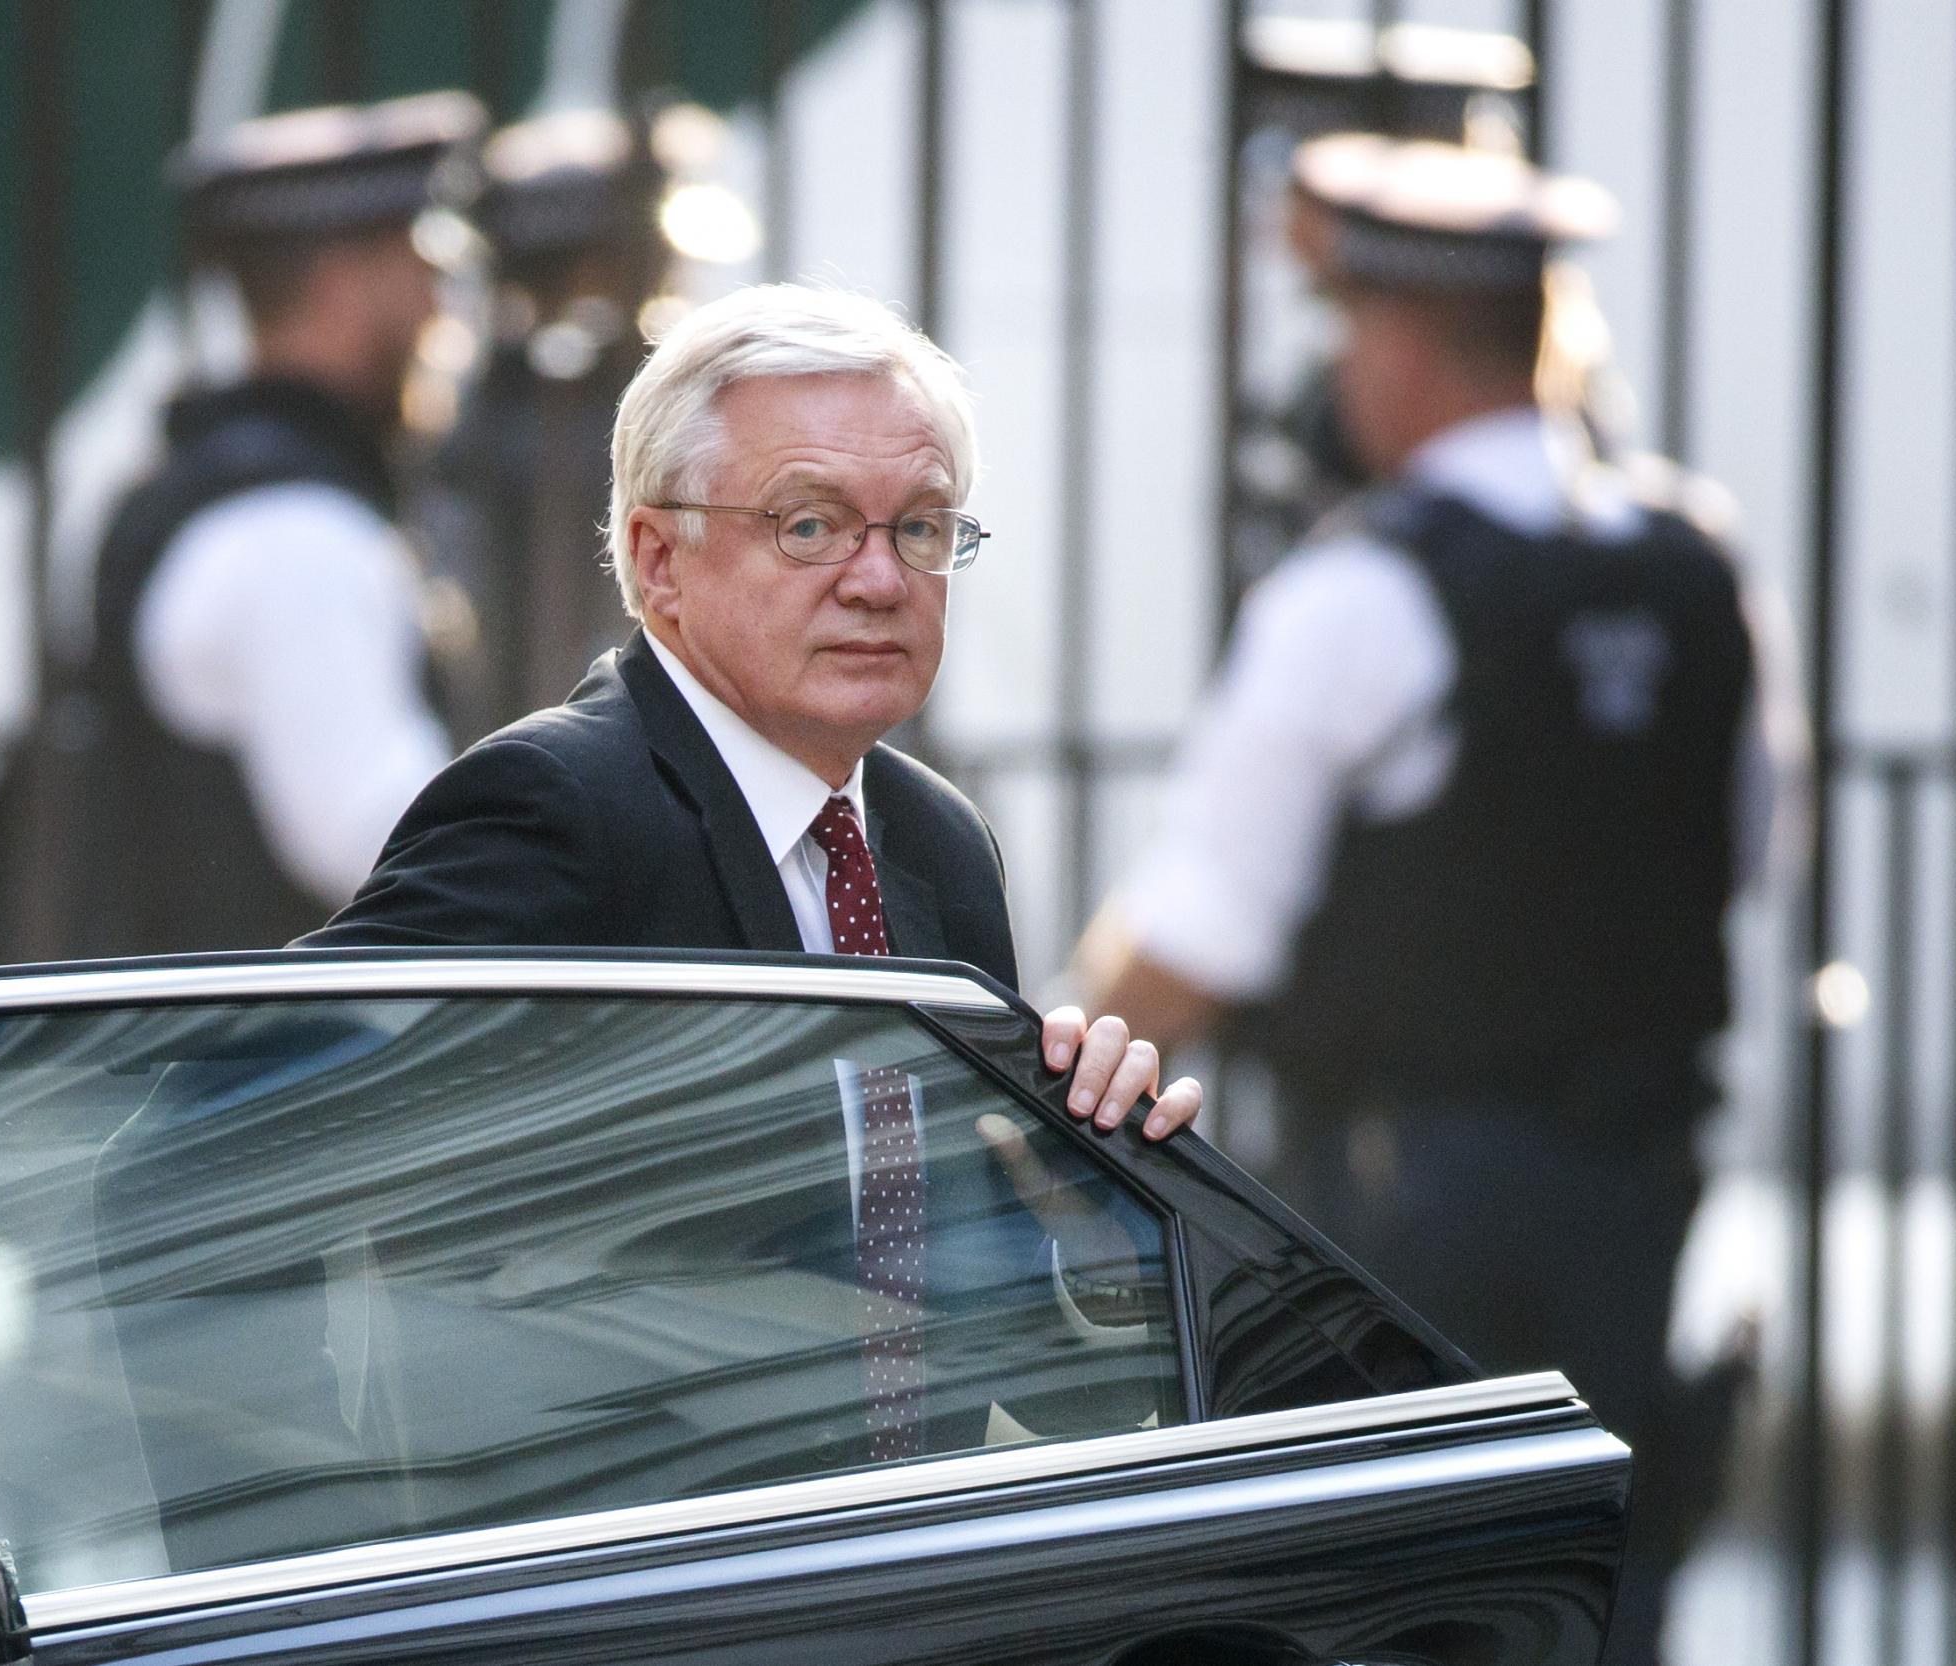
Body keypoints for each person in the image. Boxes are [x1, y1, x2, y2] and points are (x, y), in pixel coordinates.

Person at [1070, 135, 1804, 1665]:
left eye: (1347, 330)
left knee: (1395, 1598)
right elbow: (1741, 853)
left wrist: (1045, 1093)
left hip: (1396, 1210)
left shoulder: (1364, 588)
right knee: (1594, 1584)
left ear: (1399, 341)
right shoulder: (1701, 566)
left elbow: (1200, 935)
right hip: (1635, 1175)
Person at [308, 281, 1201, 1147]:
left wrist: (1078, 1181)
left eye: (922, 528)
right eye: (811, 526)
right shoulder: (555, 807)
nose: (882, 582)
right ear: (660, 561)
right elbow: (259, 1097)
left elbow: (925, 1244)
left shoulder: (939, 841)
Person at [0, 91, 481, 965]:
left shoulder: (197, 485)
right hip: (277, 1078)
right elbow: (383, 838)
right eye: (422, 265)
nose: (441, 306)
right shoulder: (294, 531)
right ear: (344, 283)